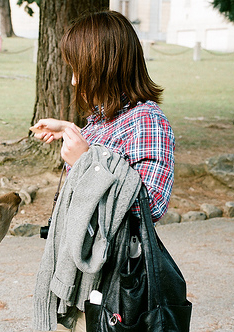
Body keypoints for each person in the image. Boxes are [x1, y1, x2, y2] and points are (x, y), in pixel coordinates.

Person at [32, 11, 175, 331]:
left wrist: (84, 160)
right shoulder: (100, 120)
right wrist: (70, 129)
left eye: (77, 70)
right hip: (83, 278)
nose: (72, 80)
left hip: (110, 288)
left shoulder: (147, 121)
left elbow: (148, 207)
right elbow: (104, 161)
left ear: (105, 68)